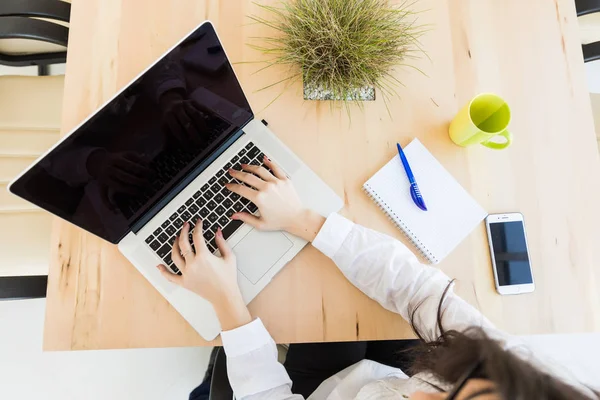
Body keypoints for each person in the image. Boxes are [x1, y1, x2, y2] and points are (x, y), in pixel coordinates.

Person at [156, 156, 598, 400]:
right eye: (460, 392)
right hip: (374, 379)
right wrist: (302, 218)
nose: (423, 398)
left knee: (307, 310)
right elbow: (418, 289)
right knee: (350, 311)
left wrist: (226, 302)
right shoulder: (517, 381)